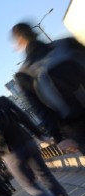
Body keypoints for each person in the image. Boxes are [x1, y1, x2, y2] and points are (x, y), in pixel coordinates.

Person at [12, 22, 85, 150]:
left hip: (76, 126)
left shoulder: (24, 74)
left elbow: (41, 110)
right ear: (34, 32)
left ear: (19, 42)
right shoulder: (67, 43)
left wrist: (59, 138)